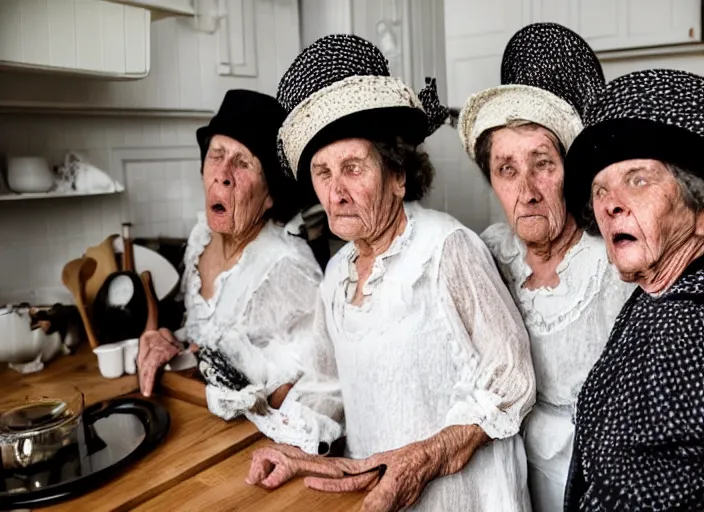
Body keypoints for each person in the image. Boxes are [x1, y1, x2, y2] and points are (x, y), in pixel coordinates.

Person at [245, 34, 536, 512]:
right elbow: (326, 383)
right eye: (323, 173)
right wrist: (294, 447)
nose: (336, 192)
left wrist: (426, 456)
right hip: (381, 498)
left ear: (398, 176)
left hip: (463, 498)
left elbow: (512, 377)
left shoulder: (448, 248)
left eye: (354, 168)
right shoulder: (337, 274)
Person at [457, 23, 636, 511]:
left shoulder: (615, 264)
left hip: (594, 485)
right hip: (504, 478)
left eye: (544, 163)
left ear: (571, 172)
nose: (527, 190)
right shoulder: (486, 254)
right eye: (507, 169)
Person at [136, 89, 343, 455]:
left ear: (269, 195)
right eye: (217, 156)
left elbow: (327, 385)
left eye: (243, 163)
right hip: (196, 429)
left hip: (257, 449)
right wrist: (172, 343)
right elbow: (208, 336)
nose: (223, 175)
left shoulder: (285, 268)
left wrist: (255, 390)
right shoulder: (201, 240)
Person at [562, 68, 704, 510]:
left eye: (638, 179)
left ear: (699, 207)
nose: (610, 203)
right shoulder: (657, 292)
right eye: (600, 189)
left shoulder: (687, 322)